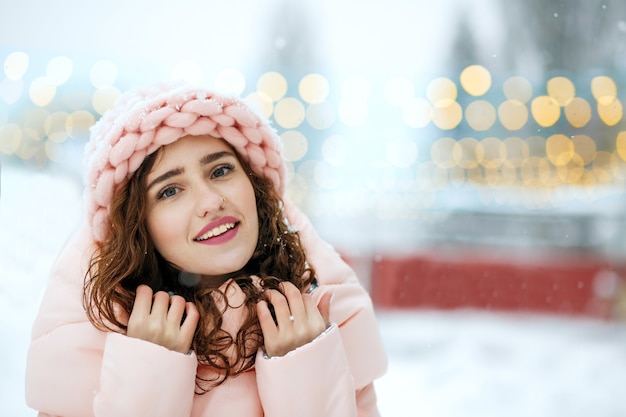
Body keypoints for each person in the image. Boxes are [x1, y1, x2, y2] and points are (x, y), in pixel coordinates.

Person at [25, 82, 388, 417]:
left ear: (255, 187)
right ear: (137, 226)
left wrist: (307, 374)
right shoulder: (84, 353)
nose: (211, 202)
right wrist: (146, 376)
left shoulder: (321, 324)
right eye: (170, 190)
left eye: (220, 171)